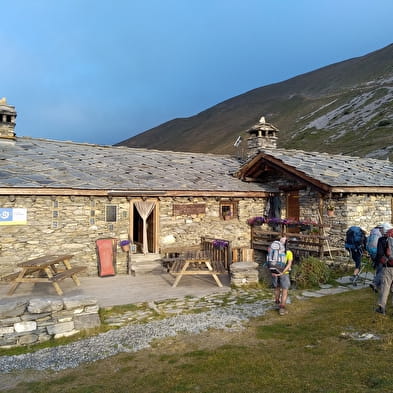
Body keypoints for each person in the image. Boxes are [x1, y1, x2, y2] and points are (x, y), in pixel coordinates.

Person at [268, 236, 293, 316]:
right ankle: (282, 308)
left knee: (277, 288)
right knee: (285, 290)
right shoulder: (288, 252)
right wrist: (282, 272)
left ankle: (276, 303)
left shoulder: (274, 251)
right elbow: (289, 264)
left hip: (274, 272)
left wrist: (273, 271)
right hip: (284, 274)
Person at [375, 223, 393, 314]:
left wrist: (382, 263)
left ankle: (381, 308)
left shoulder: (382, 240)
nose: (380, 231)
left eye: (381, 229)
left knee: (385, 287)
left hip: (388, 267)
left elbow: (380, 254)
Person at [367, 224, 383, 292]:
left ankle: (377, 283)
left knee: (378, 267)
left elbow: (367, 241)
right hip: (378, 253)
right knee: (382, 269)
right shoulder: (380, 233)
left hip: (371, 252)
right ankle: (375, 283)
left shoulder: (372, 232)